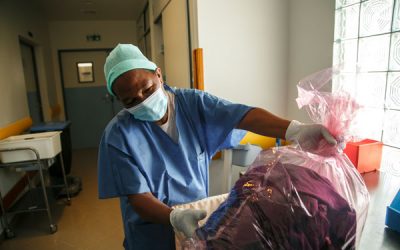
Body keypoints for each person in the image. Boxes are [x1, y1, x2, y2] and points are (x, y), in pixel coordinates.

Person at [98, 44, 337, 250]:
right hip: (151, 235)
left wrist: (295, 130)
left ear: (159, 75)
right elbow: (138, 198)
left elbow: (242, 115)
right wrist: (174, 216)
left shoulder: (192, 104)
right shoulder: (118, 136)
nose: (143, 100)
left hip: (198, 218)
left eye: (148, 89)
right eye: (131, 101)